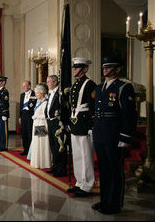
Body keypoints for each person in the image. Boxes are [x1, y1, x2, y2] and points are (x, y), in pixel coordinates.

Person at [92, 54, 137, 214]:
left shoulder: (123, 87)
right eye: (104, 67)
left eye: (109, 67)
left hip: (113, 135)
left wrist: (125, 136)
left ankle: (114, 204)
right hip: (100, 133)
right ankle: (104, 200)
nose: (105, 69)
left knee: (114, 169)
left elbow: (129, 115)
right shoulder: (99, 88)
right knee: (103, 170)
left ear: (118, 69)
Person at [66, 58, 97, 197]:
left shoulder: (90, 84)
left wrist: (91, 126)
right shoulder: (75, 84)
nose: (74, 70)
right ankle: (79, 182)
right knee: (77, 155)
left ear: (85, 69)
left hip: (84, 123)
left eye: (77, 67)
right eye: (74, 67)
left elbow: (93, 106)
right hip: (75, 122)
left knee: (86, 155)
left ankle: (88, 185)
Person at [45, 75, 68, 177]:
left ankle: (61, 169)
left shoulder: (60, 93)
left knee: (60, 146)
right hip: (50, 122)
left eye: (49, 82)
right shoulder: (50, 94)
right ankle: (55, 166)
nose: (47, 84)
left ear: (55, 82)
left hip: (58, 123)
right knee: (53, 146)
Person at [29, 84, 51, 169]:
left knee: (41, 143)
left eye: (37, 93)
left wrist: (36, 116)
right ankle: (37, 161)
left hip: (41, 124)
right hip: (37, 123)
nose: (36, 95)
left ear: (42, 93)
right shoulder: (39, 102)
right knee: (37, 143)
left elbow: (45, 115)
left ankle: (43, 162)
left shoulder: (45, 102)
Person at [18, 80, 36, 155]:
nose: (23, 87)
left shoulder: (34, 93)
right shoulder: (22, 95)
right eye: (23, 86)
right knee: (24, 133)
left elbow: (34, 105)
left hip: (30, 115)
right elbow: (20, 107)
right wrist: (20, 117)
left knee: (29, 133)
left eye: (25, 86)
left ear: (29, 86)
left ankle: (31, 151)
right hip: (23, 115)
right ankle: (25, 149)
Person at [0, 76, 9, 152]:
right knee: (0, 130)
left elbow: (6, 104)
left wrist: (5, 113)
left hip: (3, 113)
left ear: (3, 82)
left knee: (4, 131)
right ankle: (1, 145)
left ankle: (5, 146)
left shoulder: (5, 91)